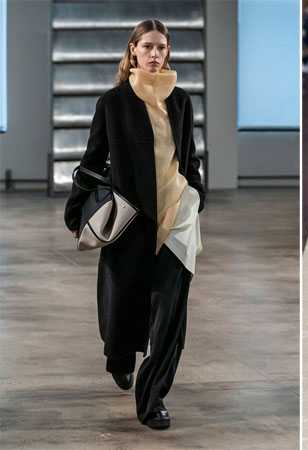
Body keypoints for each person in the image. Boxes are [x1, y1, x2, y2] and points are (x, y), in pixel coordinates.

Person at [64, 19, 205, 430]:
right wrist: (76, 211)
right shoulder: (114, 103)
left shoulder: (180, 100)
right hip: (130, 220)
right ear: (133, 51)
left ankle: (153, 398)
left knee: (170, 316)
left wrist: (196, 193)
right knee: (122, 304)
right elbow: (92, 161)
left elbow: (189, 157)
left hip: (176, 217)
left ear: (168, 51)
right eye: (147, 47)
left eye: (161, 47)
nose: (155, 54)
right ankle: (119, 357)